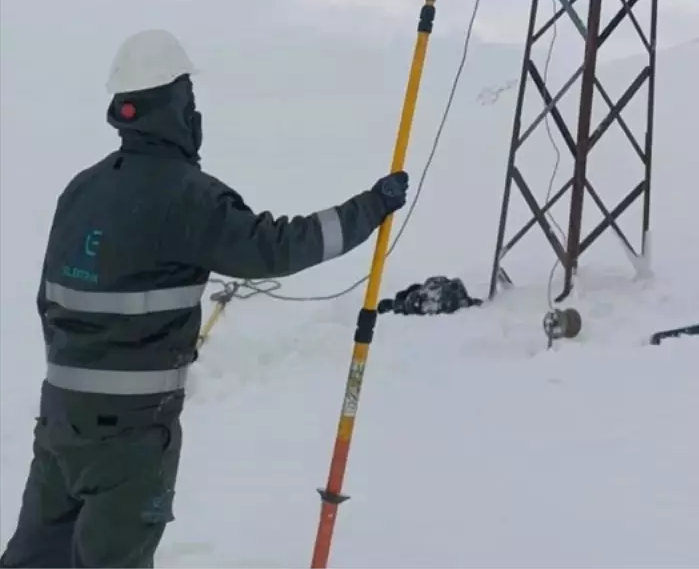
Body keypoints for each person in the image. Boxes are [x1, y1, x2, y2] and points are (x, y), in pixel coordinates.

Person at [0, 28, 410, 569]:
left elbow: (47, 301)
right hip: (129, 439)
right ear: (172, 107)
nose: (195, 114)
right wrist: (371, 206)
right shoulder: (188, 197)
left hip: (58, 426)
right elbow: (278, 248)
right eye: (189, 100)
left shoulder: (81, 189)